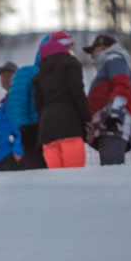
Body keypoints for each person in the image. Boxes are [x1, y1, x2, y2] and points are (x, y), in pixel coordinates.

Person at [33, 31, 90, 169]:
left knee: (56, 179)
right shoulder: (71, 63)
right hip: (69, 125)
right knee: (74, 174)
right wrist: (87, 117)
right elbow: (77, 93)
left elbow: (38, 104)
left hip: (47, 130)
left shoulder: (39, 72)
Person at [84, 33, 131, 165]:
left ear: (102, 47)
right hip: (105, 126)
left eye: (93, 51)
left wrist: (114, 114)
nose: (92, 57)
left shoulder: (115, 59)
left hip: (113, 125)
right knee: (109, 171)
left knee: (112, 172)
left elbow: (122, 85)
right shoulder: (108, 66)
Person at [6, 36, 49, 169]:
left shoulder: (63, 76)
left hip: (55, 134)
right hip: (33, 132)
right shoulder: (27, 72)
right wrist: (24, 129)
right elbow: (16, 105)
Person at [0, 61, 23, 171]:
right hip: (0, 160)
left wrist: (18, 151)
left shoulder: (22, 99)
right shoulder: (3, 104)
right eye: (2, 76)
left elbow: (26, 128)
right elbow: (0, 134)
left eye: (9, 75)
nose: (5, 78)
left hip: (14, 159)